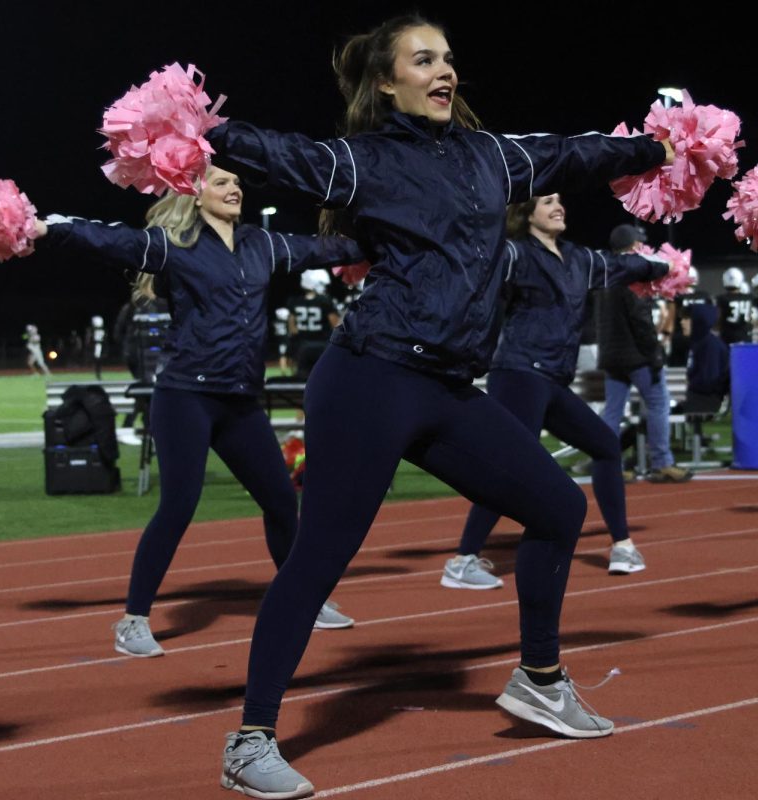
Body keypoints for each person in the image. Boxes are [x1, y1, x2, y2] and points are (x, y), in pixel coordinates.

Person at [202, 16, 673, 797]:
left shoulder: (493, 157)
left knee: (558, 506)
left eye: (449, 58)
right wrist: (200, 130)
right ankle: (250, 740)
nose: (444, 70)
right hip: (369, 378)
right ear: (388, 82)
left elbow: (575, 152)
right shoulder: (363, 160)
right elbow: (284, 154)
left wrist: (658, 148)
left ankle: (539, 678)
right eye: (424, 60)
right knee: (321, 556)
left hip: (450, 387)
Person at [34, 166, 364, 660]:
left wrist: (391, 238)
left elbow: (326, 249)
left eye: (237, 183)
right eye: (221, 182)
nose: (234, 190)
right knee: (179, 505)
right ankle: (133, 620)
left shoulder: (262, 245)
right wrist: (46, 229)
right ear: (195, 192)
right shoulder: (172, 244)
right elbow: (106, 239)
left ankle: (305, 600)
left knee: (280, 500)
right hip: (185, 396)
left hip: (241, 402)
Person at [443, 194, 668, 589]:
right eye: (548, 202)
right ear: (527, 214)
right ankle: (463, 559)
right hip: (518, 374)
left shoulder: (579, 259)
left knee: (605, 445)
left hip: (552, 379)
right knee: (511, 463)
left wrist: (661, 266)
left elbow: (619, 265)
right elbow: (482, 263)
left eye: (561, 201)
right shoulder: (516, 254)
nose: (559, 206)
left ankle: (622, 546)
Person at [595, 224, 692, 483]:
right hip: (635, 355)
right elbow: (641, 322)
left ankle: (607, 464)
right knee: (659, 402)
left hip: (611, 354)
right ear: (633, 246)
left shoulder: (607, 271)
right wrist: (655, 355)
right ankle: (662, 462)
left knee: (613, 412)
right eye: (639, 244)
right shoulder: (632, 274)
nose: (642, 248)